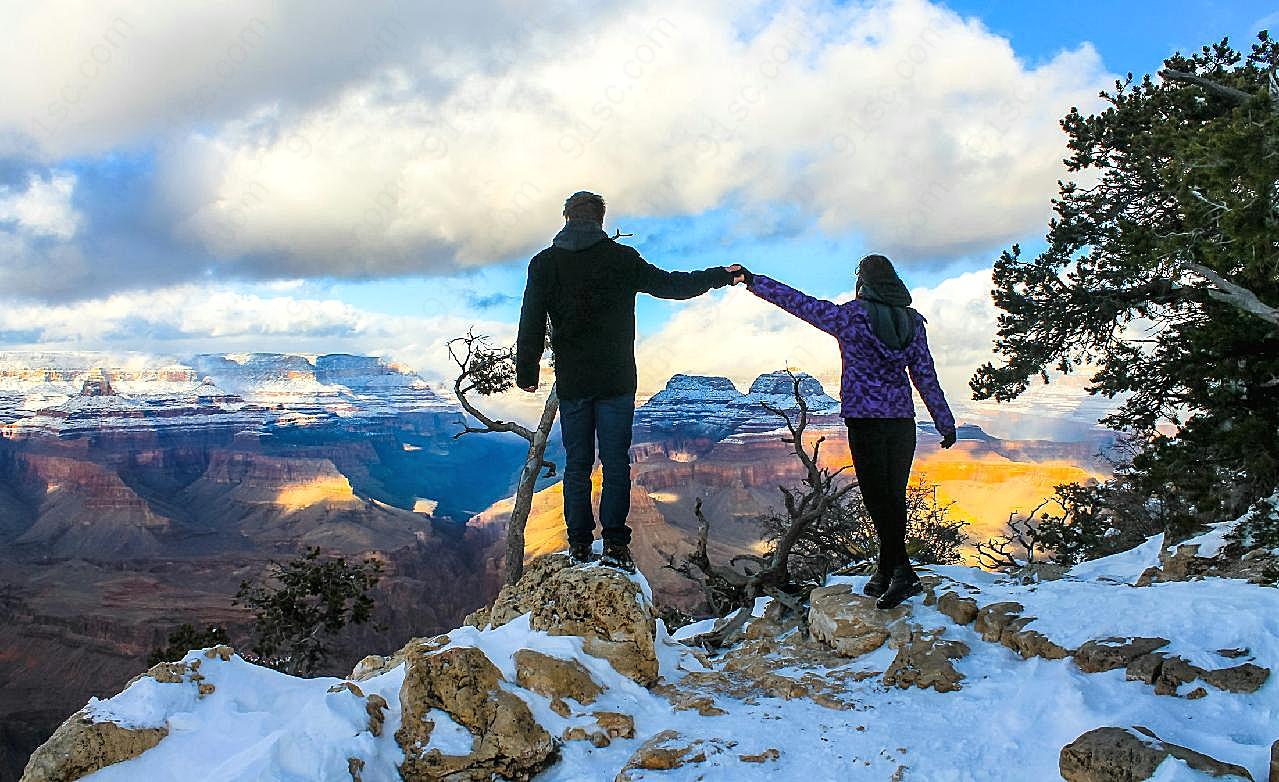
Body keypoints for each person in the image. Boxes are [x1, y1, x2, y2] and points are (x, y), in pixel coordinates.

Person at [516, 191, 738, 572]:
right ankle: (615, 544)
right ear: (601, 220)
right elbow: (672, 285)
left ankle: (580, 545)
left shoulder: (545, 263)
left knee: (577, 465)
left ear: (566, 217)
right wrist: (720, 276)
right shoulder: (621, 258)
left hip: (574, 382)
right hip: (617, 379)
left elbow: (531, 318)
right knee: (616, 463)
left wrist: (527, 371)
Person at [730, 255, 957, 609]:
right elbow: (925, 375)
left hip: (865, 421)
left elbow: (799, 303)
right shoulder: (912, 323)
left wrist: (753, 281)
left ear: (863, 282)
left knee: (877, 498)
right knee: (892, 497)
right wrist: (944, 420)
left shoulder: (851, 316)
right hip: (901, 423)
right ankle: (885, 569)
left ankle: (903, 573)